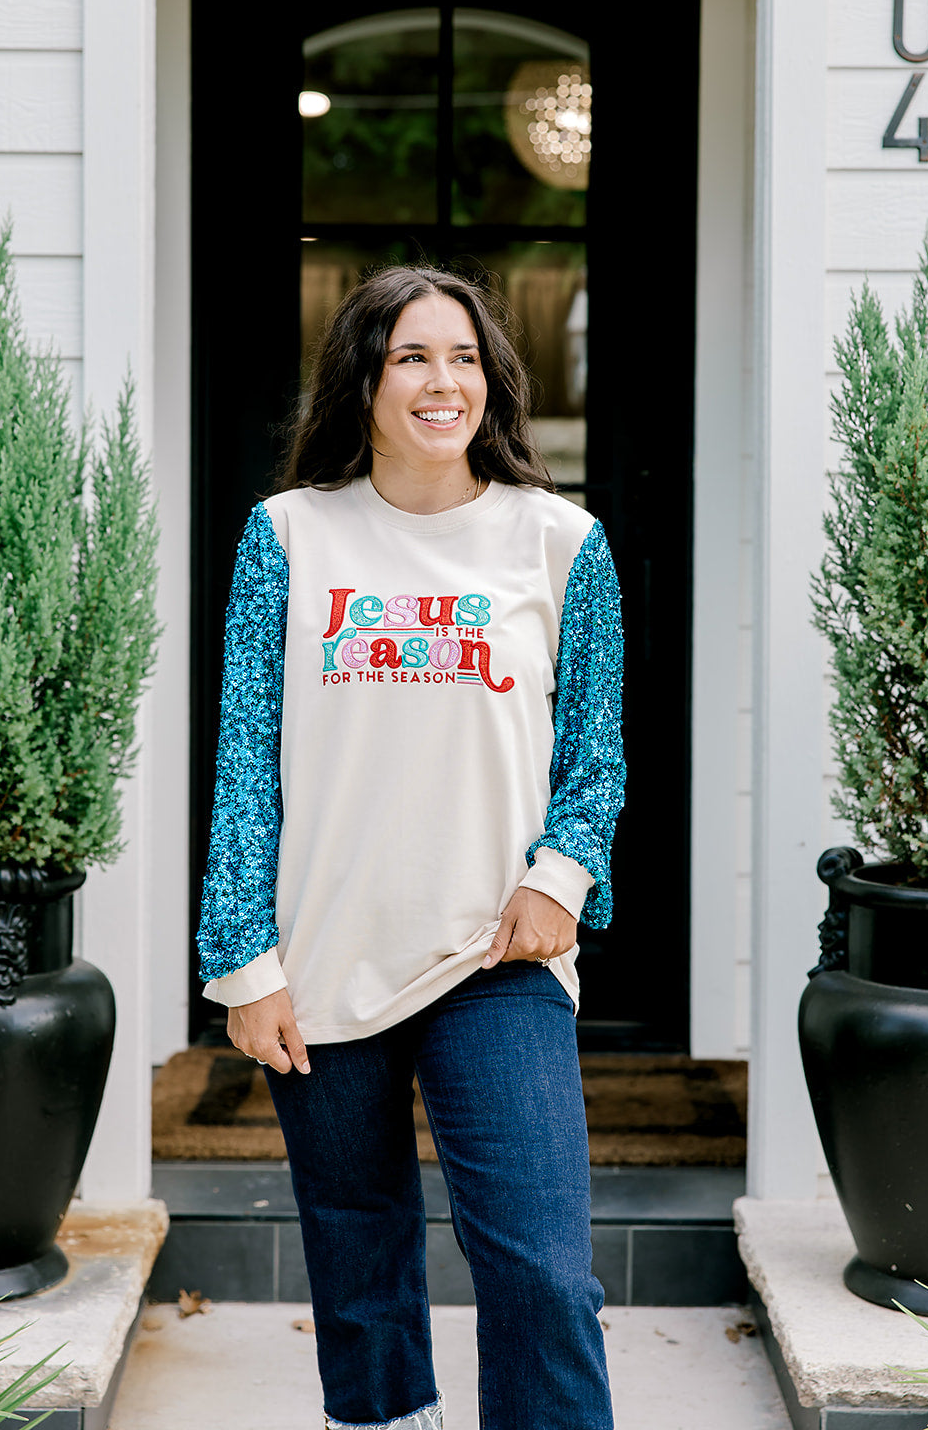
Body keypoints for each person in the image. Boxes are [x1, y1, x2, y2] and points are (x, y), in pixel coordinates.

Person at [197, 265, 625, 1430]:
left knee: (541, 1266)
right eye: (411, 357)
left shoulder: (559, 541)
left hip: (497, 955)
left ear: (491, 380)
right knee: (360, 1269)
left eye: (464, 358)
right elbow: (245, 754)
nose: (443, 382)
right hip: (325, 954)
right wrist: (243, 960)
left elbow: (595, 751)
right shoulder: (288, 534)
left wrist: (559, 881)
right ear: (366, 381)